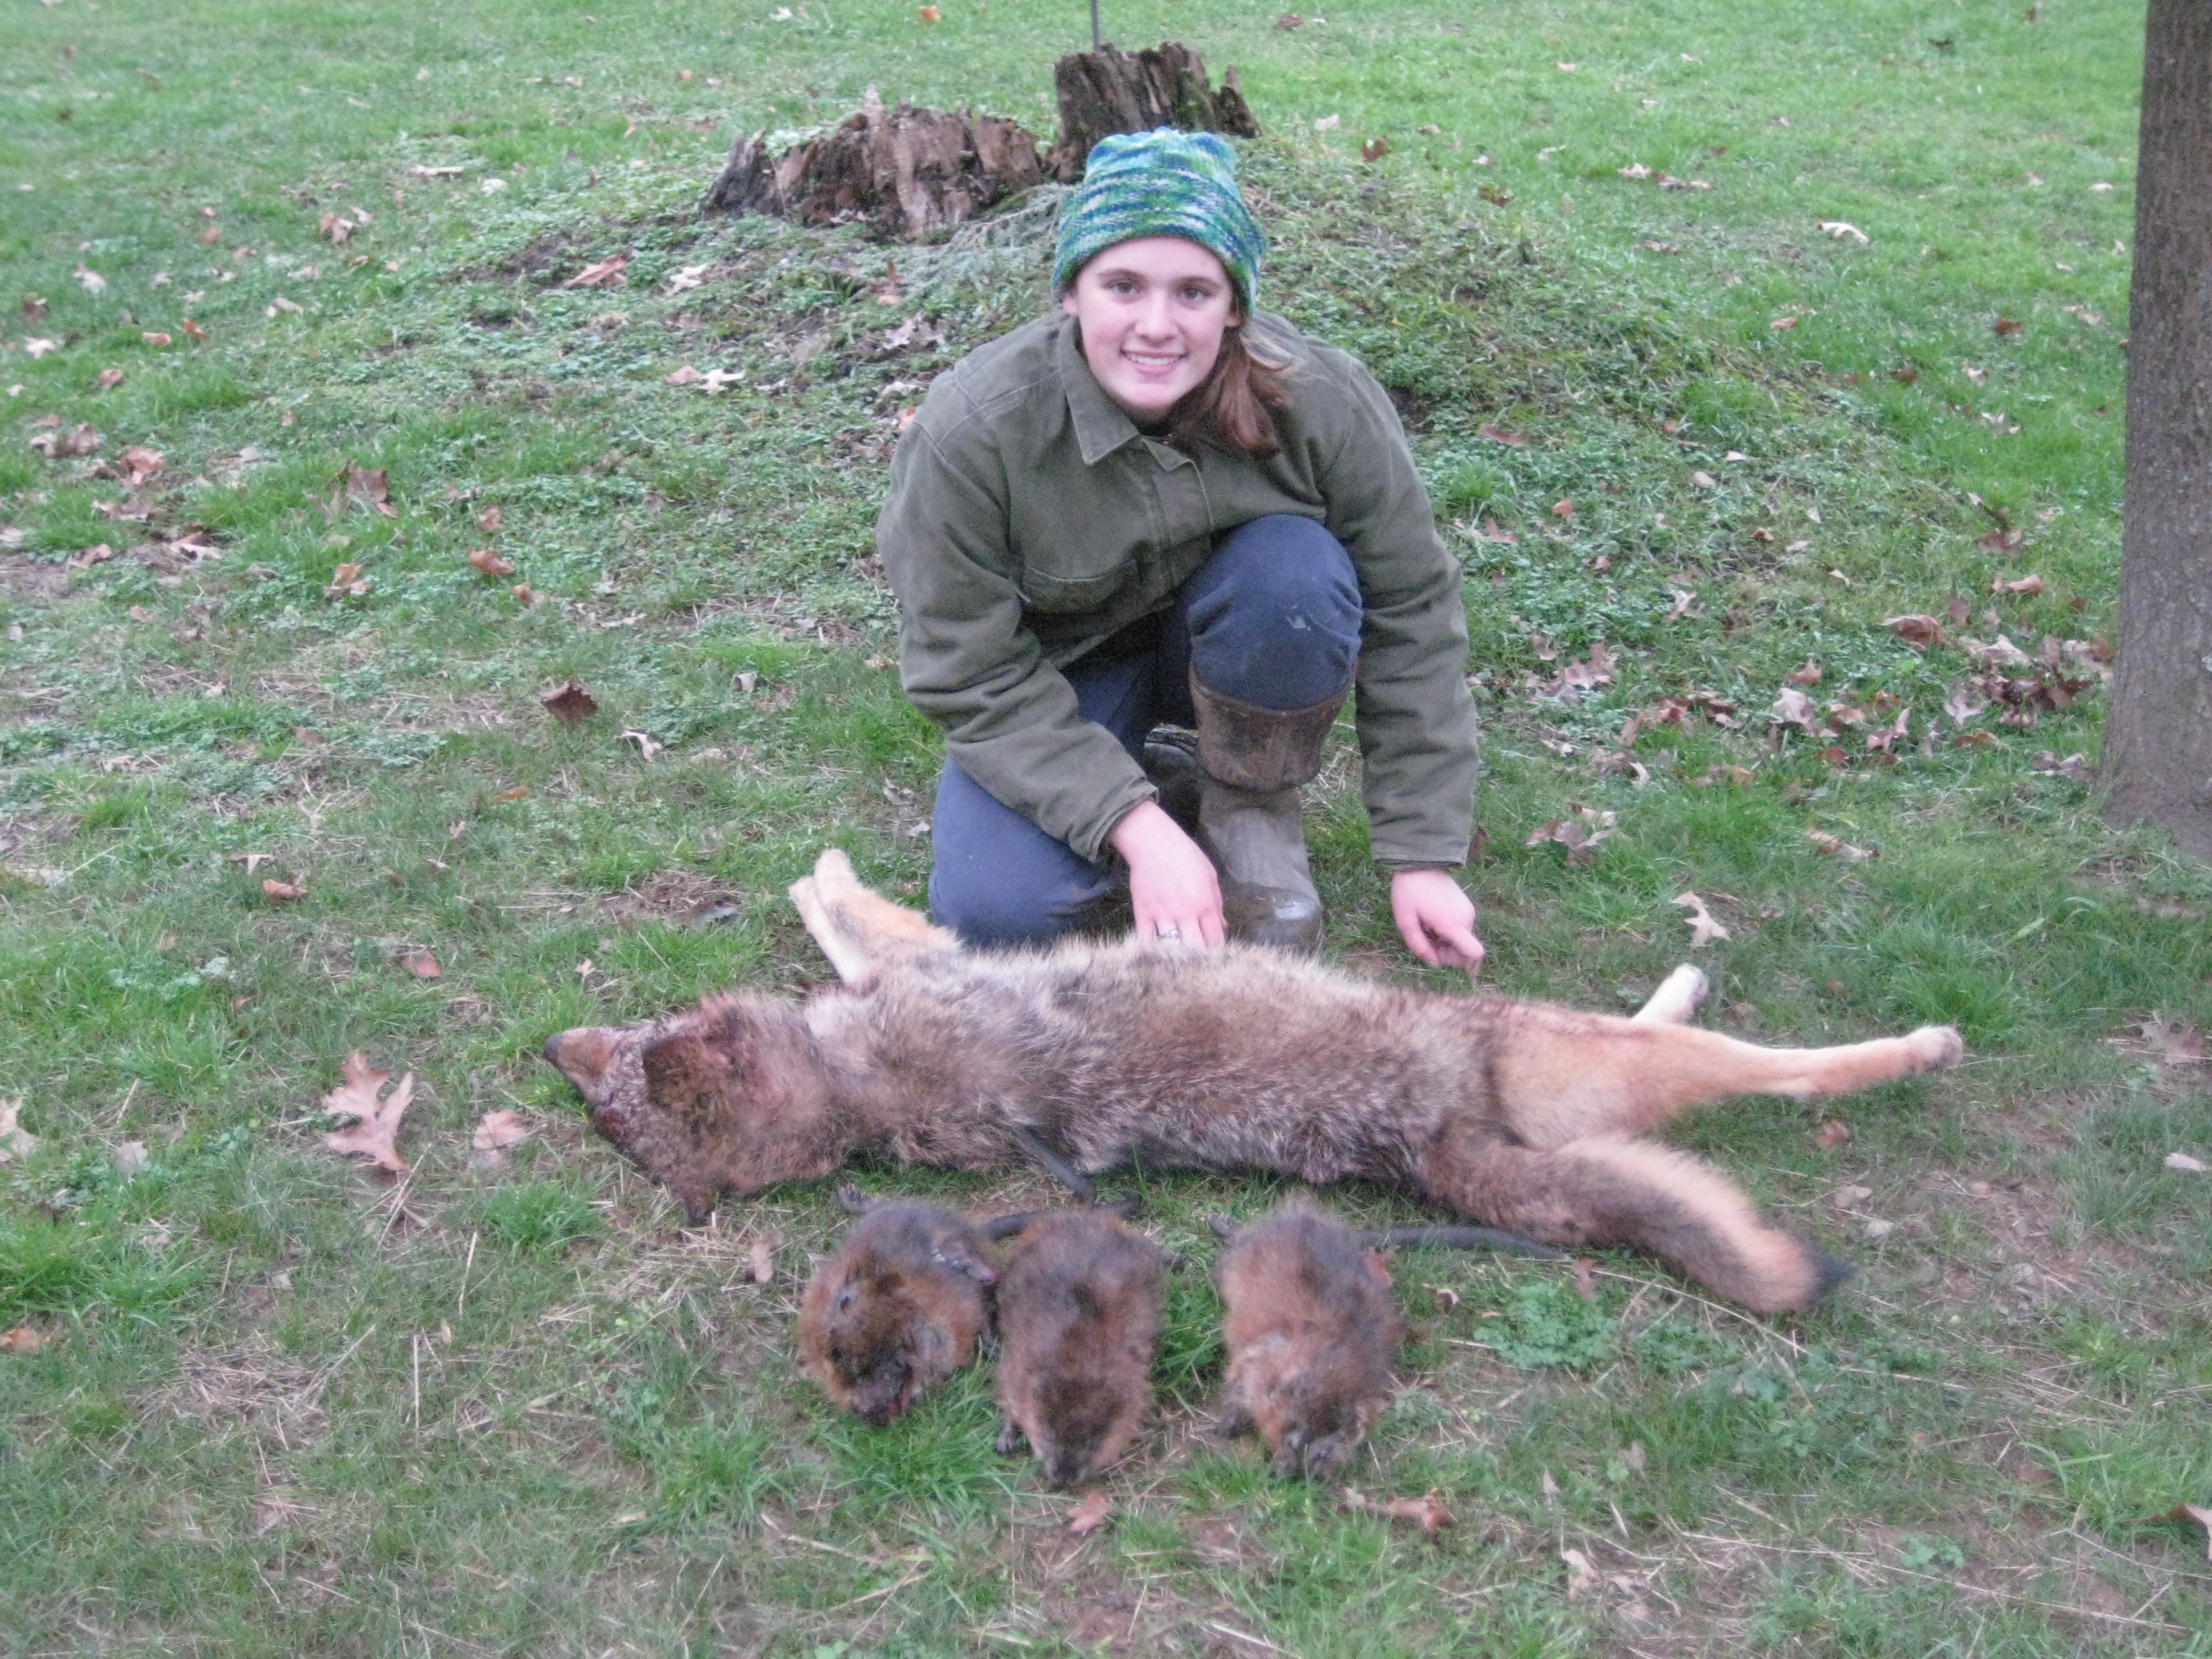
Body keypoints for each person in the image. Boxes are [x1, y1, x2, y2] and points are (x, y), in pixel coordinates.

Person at [875, 127, 1483, 972]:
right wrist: (1139, 828)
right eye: (1122, 285)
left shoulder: (1323, 402)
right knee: (1000, 914)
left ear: (1235, 306)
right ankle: (1143, 783)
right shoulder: (973, 434)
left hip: (1239, 646)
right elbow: (968, 671)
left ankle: (1250, 806)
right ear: (1071, 291)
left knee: (1294, 570)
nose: (1156, 326)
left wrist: (1422, 855)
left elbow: (1411, 608)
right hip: (1062, 678)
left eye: (1193, 292)